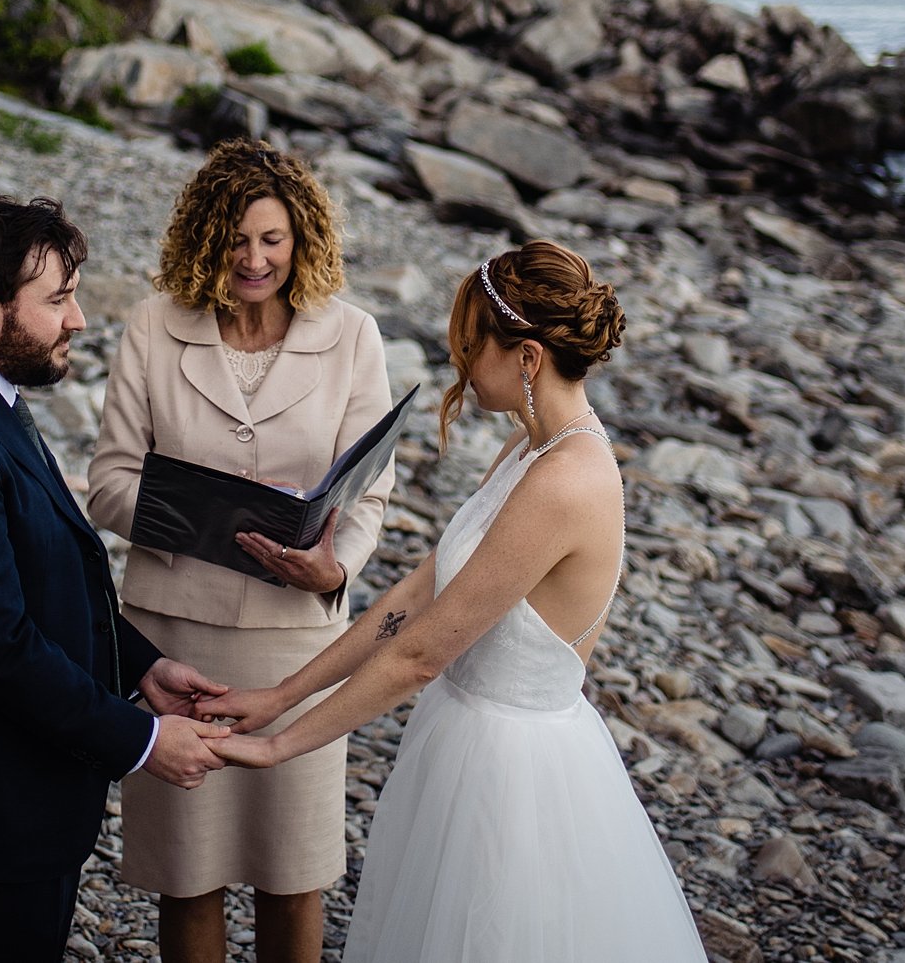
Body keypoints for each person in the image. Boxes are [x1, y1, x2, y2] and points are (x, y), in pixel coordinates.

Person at [214, 241, 710, 962]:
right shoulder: (530, 448)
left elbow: (420, 652)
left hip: (516, 777)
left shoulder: (568, 478)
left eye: (473, 345)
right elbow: (423, 590)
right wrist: (280, 694)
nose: (463, 365)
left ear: (529, 358)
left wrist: (279, 745)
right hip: (464, 737)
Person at [0, 196, 236, 963]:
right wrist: (143, 739)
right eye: (57, 299)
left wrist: (144, 668)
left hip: (11, 795)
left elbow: (48, 578)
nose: (79, 318)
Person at [87, 141, 400, 963]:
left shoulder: (354, 336)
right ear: (204, 238)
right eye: (236, 239)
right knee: (186, 877)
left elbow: (369, 493)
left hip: (297, 645)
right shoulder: (155, 324)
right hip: (174, 644)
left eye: (272, 239)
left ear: (302, 240)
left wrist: (335, 570)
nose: (254, 259)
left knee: (293, 874)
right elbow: (108, 483)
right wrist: (191, 514)